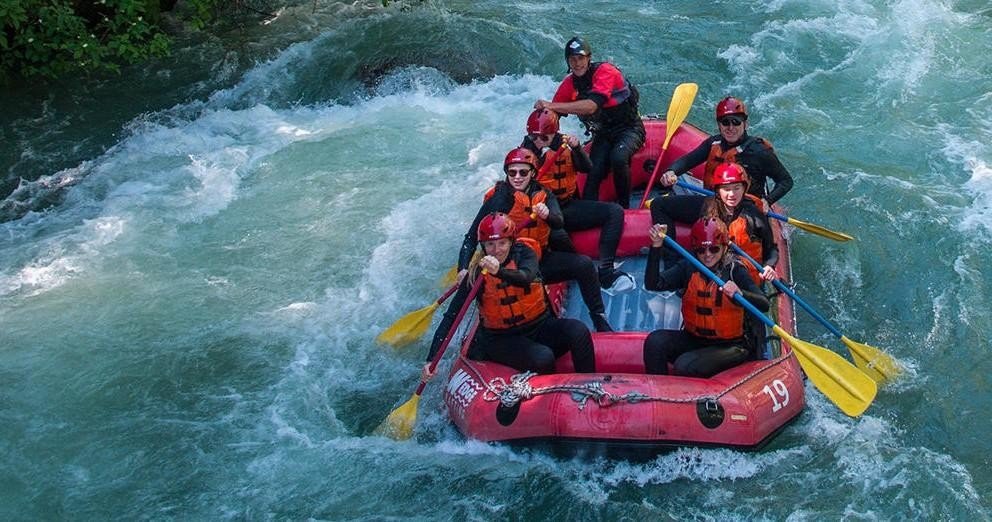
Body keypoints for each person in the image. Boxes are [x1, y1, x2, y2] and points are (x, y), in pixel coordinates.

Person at [454, 147, 613, 332]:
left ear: (533, 173)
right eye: (512, 172)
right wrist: (463, 268)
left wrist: (547, 215)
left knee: (584, 265)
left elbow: (559, 221)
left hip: (538, 260)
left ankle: (599, 318)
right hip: (507, 268)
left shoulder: (544, 193)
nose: (517, 177)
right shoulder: (498, 200)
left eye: (523, 172)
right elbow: (471, 237)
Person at [422, 212, 596, 381]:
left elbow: (526, 277)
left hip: (539, 326)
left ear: (511, 241)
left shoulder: (525, 254)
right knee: (543, 357)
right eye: (490, 245)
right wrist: (431, 359)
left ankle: (590, 386)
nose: (496, 250)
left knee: (578, 331)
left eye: (502, 243)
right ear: (483, 246)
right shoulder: (476, 274)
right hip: (502, 339)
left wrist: (499, 272)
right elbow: (452, 315)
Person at [642, 217, 769, 377]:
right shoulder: (688, 266)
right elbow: (653, 284)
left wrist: (741, 293)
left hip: (732, 345)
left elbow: (764, 304)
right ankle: (658, 396)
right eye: (701, 250)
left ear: (724, 247)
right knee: (655, 343)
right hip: (695, 339)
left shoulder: (735, 271)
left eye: (714, 249)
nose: (707, 255)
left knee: (684, 365)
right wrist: (656, 246)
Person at [521, 108, 633, 290]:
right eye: (535, 138)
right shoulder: (525, 154)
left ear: (554, 133)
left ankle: (606, 269)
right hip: (544, 214)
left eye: (544, 138)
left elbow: (587, 168)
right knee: (558, 235)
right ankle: (579, 271)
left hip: (566, 205)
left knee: (614, 212)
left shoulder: (565, 144)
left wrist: (577, 149)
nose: (539, 142)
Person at [534, 36, 645, 208]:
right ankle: (588, 211)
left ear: (589, 58)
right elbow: (553, 114)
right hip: (603, 134)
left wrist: (550, 104)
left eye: (581, 58)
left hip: (629, 129)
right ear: (568, 61)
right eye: (572, 59)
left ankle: (625, 207)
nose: (577, 63)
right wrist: (537, 142)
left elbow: (592, 106)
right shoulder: (569, 84)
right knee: (592, 171)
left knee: (618, 157)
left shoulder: (605, 71)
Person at [655, 96, 793, 207]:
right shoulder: (714, 143)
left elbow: (786, 181)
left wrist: (768, 201)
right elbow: (688, 161)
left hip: (746, 209)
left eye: (736, 122)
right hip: (715, 204)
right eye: (725, 122)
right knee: (659, 205)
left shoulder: (759, 151)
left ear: (745, 124)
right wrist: (671, 171)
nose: (730, 127)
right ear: (719, 125)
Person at [700, 162, 779, 284]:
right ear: (718, 191)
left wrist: (769, 266)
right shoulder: (708, 207)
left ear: (744, 189)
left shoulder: (754, 214)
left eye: (737, 188)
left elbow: (771, 248)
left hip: (744, 274)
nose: (732, 194)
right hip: (713, 265)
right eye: (726, 189)